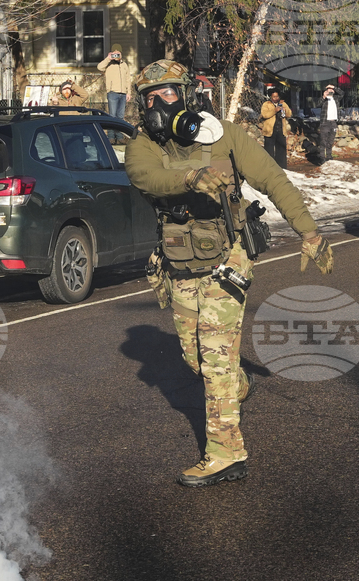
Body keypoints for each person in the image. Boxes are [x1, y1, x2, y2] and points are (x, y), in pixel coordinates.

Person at [124, 60, 334, 488]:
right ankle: (236, 383)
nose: (159, 104)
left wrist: (309, 232)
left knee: (215, 360)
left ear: (186, 94)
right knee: (195, 358)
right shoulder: (142, 145)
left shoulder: (226, 135)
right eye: (150, 97)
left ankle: (226, 455)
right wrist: (191, 177)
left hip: (228, 256)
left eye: (167, 93)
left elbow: (274, 179)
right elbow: (147, 179)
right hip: (180, 262)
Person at [97, 45, 131, 120]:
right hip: (113, 93)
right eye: (114, 54)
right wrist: (108, 58)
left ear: (121, 54)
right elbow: (99, 67)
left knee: (121, 117)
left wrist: (128, 92)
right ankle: (111, 132)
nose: (116, 56)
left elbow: (128, 79)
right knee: (112, 116)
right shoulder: (109, 64)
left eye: (118, 54)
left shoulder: (124, 65)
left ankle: (119, 132)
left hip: (123, 94)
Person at [260, 88, 292, 169]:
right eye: (274, 97)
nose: (276, 98)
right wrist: (274, 110)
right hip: (270, 130)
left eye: (277, 96)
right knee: (269, 150)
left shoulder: (283, 103)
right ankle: (269, 167)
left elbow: (289, 114)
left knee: (281, 149)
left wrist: (285, 111)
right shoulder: (266, 104)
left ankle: (282, 167)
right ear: (271, 97)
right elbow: (264, 115)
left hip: (281, 129)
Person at [316, 84, 344, 162]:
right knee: (323, 141)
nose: (330, 91)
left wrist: (334, 87)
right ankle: (322, 157)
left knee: (330, 141)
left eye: (331, 90)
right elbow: (317, 104)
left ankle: (329, 156)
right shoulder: (324, 99)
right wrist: (324, 96)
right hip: (325, 122)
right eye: (328, 89)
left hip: (333, 122)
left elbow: (342, 93)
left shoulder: (336, 98)